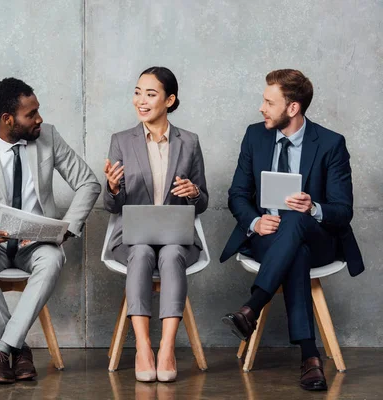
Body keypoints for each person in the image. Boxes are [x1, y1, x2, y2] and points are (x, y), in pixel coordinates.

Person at [220, 69, 364, 391]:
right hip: (267, 238)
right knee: (295, 251)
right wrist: (256, 222)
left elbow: (343, 211)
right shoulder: (255, 136)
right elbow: (238, 195)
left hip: (319, 237)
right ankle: (310, 357)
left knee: (297, 219)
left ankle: (251, 308)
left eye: (269, 102)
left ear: (293, 107)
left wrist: (312, 207)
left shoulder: (330, 144)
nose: (262, 108)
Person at [0, 77, 100, 383]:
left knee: (53, 259)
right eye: (30, 114)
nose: (39, 119)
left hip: (38, 243)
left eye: (38, 111)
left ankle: (2, 349)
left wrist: (66, 229)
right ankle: (17, 351)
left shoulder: (49, 138)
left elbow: (89, 182)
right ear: (7, 120)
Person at [104, 66, 208, 382]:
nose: (141, 101)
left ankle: (166, 348)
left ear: (170, 100)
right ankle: (144, 348)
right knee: (141, 253)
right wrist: (112, 188)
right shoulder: (121, 141)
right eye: (138, 92)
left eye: (150, 94)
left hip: (177, 236)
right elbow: (111, 206)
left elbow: (202, 202)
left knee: (173, 253)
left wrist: (194, 192)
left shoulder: (189, 142)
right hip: (132, 239)